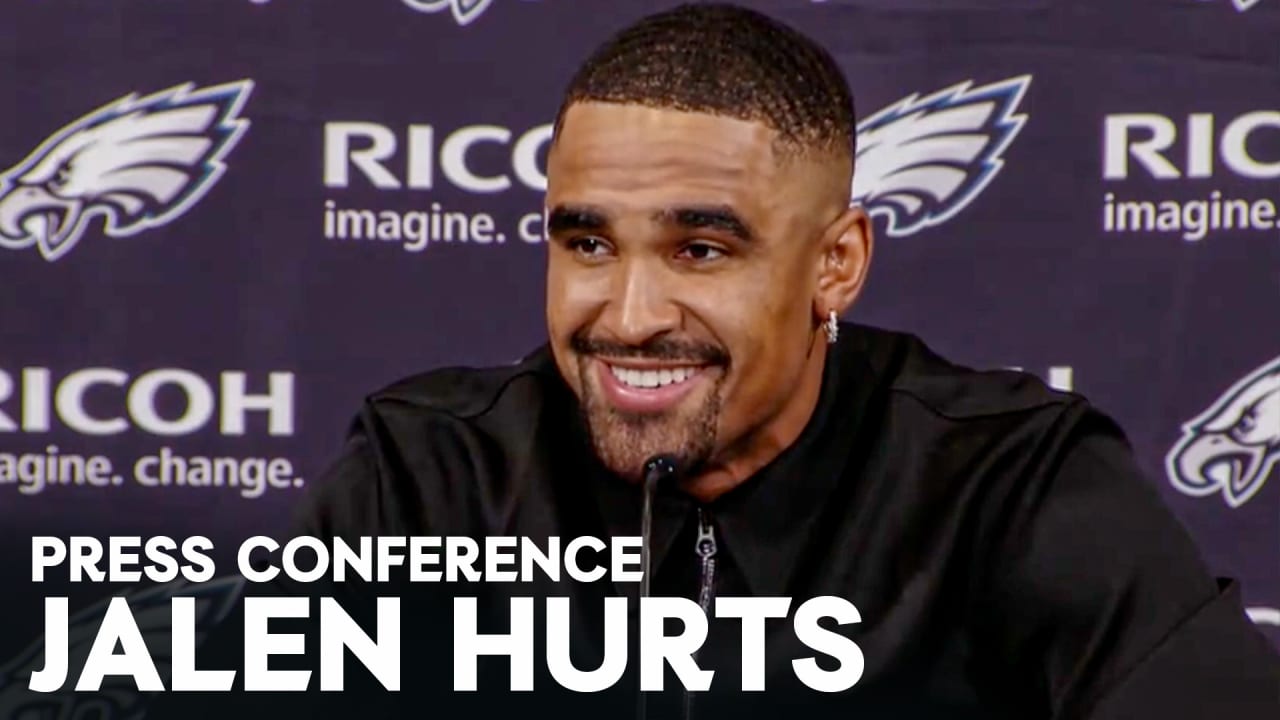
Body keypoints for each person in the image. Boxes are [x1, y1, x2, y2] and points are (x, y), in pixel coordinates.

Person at [151, 3, 1280, 719]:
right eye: (585, 243)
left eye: (701, 248)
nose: (629, 316)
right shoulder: (432, 470)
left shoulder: (1005, 480)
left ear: (834, 264)